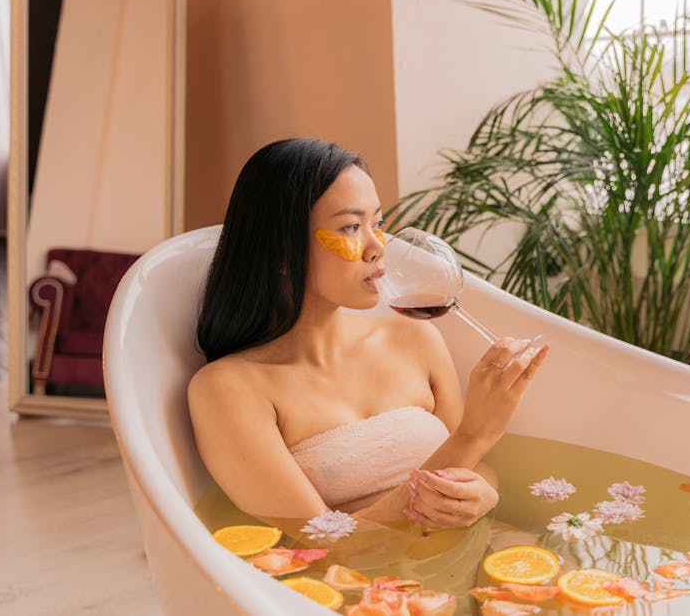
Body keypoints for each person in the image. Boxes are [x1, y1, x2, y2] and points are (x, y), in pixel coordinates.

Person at [188, 138, 549, 537]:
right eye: (351, 227)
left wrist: (485, 493)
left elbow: (476, 468)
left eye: (377, 223)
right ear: (282, 256)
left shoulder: (415, 339)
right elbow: (326, 543)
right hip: (362, 590)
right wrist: (477, 432)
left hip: (486, 549)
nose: (379, 246)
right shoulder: (227, 389)